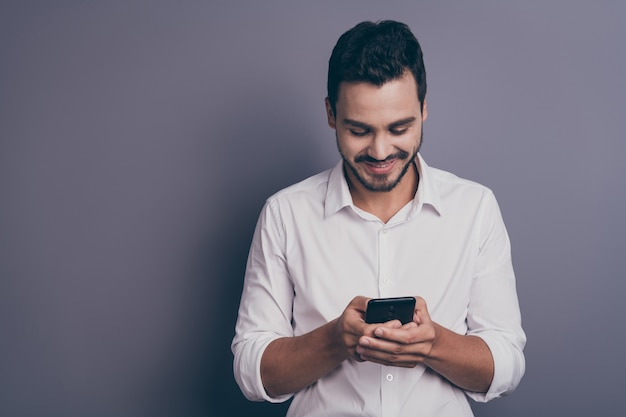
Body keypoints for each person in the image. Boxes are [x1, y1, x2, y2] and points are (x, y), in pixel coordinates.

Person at [232, 20, 526, 417]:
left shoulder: (475, 208)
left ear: (424, 110)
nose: (380, 150)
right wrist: (336, 340)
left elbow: (506, 365)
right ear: (331, 115)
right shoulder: (285, 214)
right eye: (359, 130)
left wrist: (434, 343)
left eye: (400, 127)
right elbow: (252, 373)